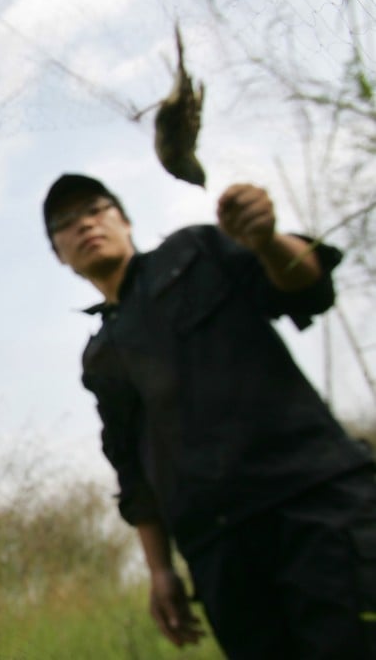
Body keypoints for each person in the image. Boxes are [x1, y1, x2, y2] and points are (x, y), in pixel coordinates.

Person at [44, 173, 376, 658]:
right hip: (220, 553)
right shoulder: (101, 357)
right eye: (66, 223)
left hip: (314, 508)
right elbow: (132, 471)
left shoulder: (194, 251)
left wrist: (266, 241)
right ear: (59, 253)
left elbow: (306, 288)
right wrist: (160, 569)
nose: (85, 225)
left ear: (125, 219)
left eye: (96, 209)